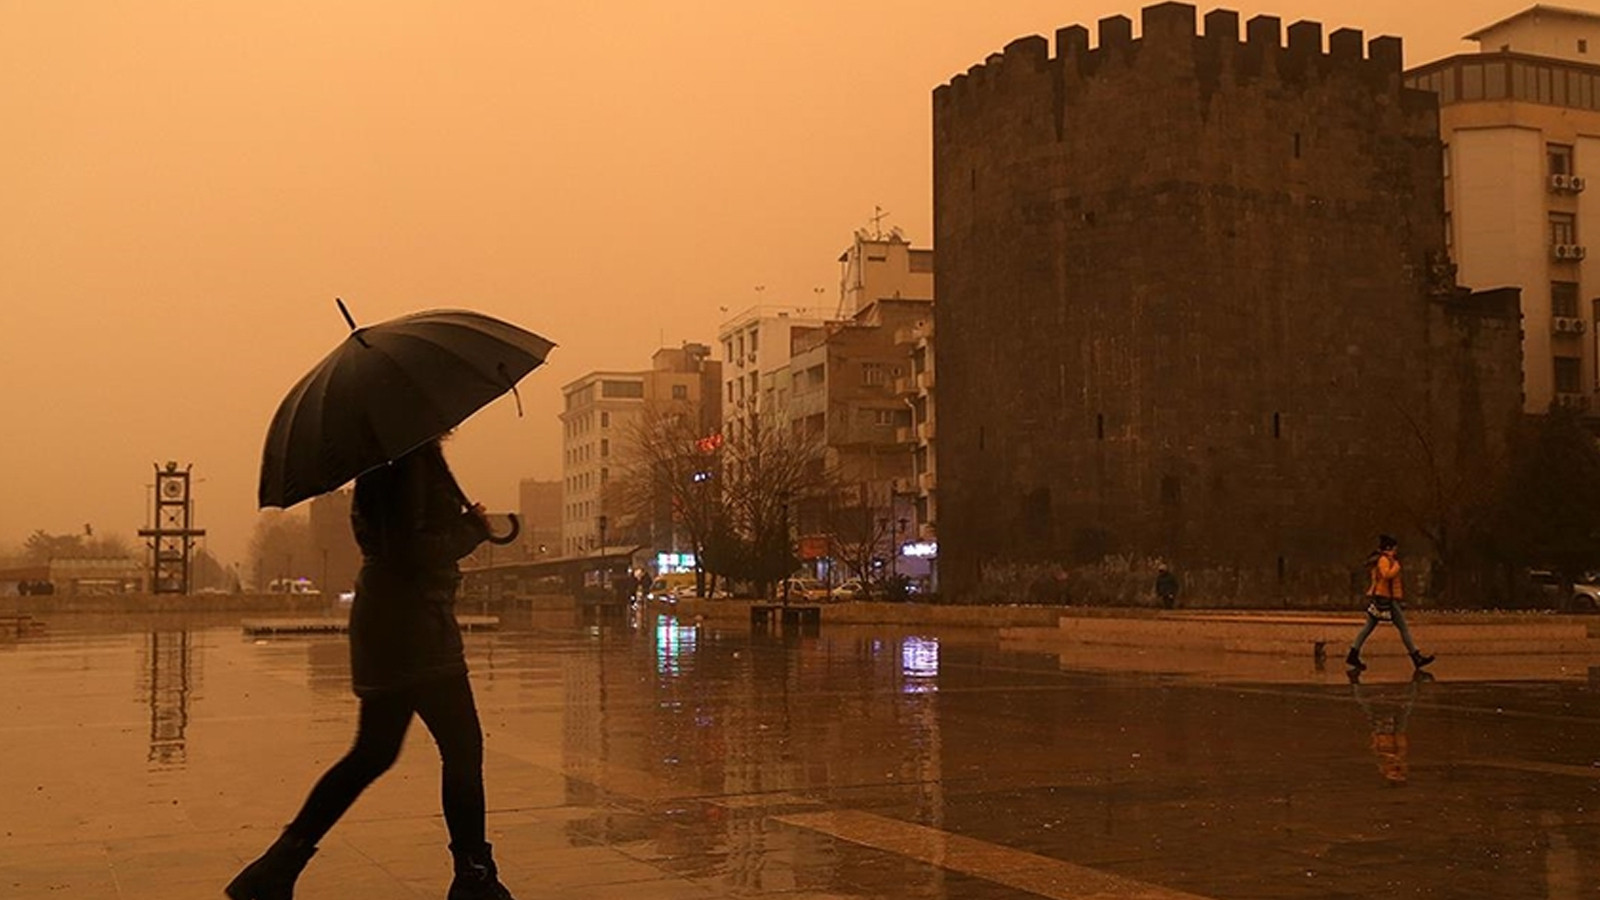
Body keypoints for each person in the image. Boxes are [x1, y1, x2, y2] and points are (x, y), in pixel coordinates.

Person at [226, 438, 518, 900]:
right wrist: (470, 531)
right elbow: (411, 550)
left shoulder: (390, 459)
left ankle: (276, 867)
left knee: (374, 753)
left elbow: (403, 539)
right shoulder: (407, 460)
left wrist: (461, 525)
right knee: (461, 749)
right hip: (415, 628)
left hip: (395, 624)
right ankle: (473, 876)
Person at [1347, 534, 1435, 672]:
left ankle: (1353, 653)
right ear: (1389, 548)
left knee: (1368, 627)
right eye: (1394, 548)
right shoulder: (1384, 560)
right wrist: (1396, 567)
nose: (1396, 551)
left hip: (1382, 597)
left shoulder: (1384, 559)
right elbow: (1386, 574)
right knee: (1403, 628)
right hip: (1386, 599)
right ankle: (1416, 657)